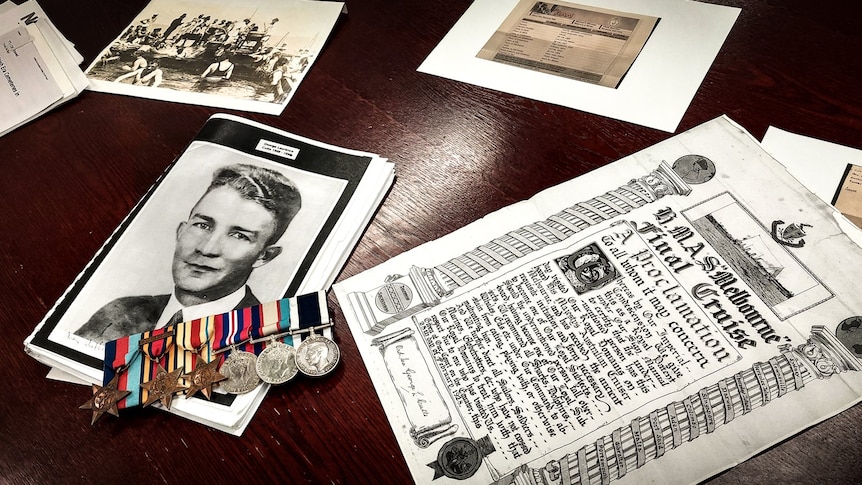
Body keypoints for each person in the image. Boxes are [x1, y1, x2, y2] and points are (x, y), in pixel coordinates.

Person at [75, 164, 302, 343]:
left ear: (264, 256)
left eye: (239, 235)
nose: (206, 249)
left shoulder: (264, 334)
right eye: (203, 225)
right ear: (181, 231)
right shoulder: (121, 312)